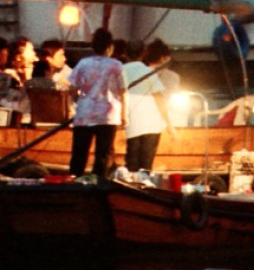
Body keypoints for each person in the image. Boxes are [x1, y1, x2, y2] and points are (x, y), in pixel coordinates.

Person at [67, 27, 127, 178]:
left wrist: (78, 100)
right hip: (108, 115)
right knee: (103, 155)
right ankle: (98, 183)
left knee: (79, 153)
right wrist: (124, 114)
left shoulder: (83, 63)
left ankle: (75, 182)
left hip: (84, 113)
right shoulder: (116, 65)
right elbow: (123, 92)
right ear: (109, 47)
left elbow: (72, 89)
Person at [122, 38, 176, 172]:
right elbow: (159, 100)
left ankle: (130, 185)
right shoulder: (147, 72)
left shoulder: (120, 70)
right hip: (151, 124)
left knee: (131, 162)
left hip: (131, 123)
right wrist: (169, 125)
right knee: (145, 165)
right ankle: (143, 185)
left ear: (125, 54)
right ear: (143, 53)